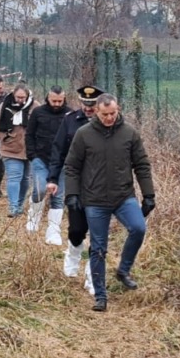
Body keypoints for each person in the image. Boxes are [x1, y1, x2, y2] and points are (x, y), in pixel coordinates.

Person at [64, 93, 156, 312]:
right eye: (105, 114)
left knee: (138, 228)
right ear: (96, 111)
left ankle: (123, 270)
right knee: (98, 248)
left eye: (113, 113)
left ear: (118, 109)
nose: (109, 118)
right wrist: (72, 194)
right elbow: (72, 167)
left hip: (123, 196)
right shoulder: (84, 134)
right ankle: (100, 295)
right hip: (94, 200)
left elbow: (141, 165)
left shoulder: (129, 133)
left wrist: (149, 194)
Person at [46, 85, 103, 291]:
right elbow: (58, 150)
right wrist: (53, 178)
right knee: (77, 228)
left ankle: (92, 277)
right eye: (85, 104)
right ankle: (73, 252)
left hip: (100, 185)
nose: (88, 108)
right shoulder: (70, 120)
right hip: (75, 182)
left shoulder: (106, 122)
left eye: (92, 104)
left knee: (98, 232)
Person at [27, 86, 71, 245]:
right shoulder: (38, 113)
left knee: (57, 196)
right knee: (39, 189)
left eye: (60, 101)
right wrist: (31, 155)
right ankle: (33, 217)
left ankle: (53, 231)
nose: (57, 104)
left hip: (62, 162)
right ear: (48, 98)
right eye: (54, 101)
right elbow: (29, 134)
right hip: (40, 158)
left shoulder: (70, 115)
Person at [0, 83, 35, 218]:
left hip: (29, 149)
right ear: (13, 95)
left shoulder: (35, 106)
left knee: (25, 179)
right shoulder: (5, 105)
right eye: (18, 97)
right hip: (10, 149)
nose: (20, 100)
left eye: (23, 97)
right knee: (14, 177)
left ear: (28, 96)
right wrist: (4, 137)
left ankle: (20, 205)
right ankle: (13, 206)